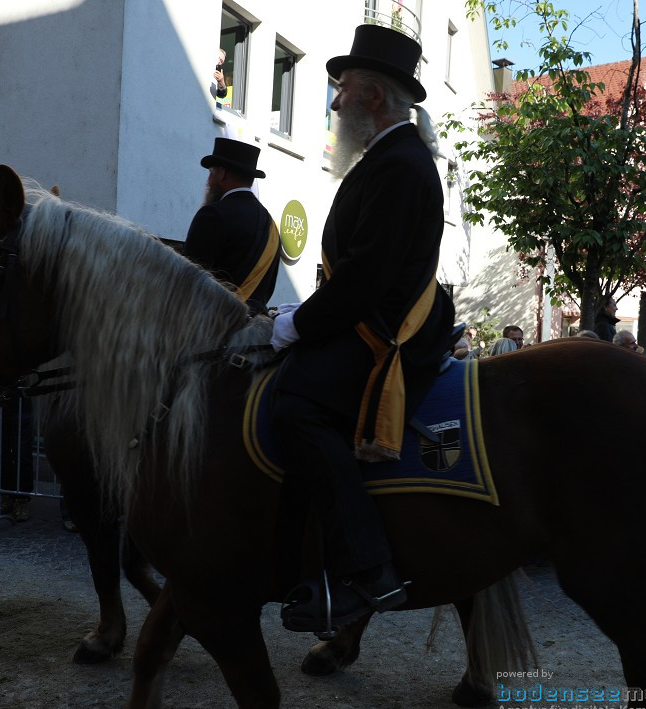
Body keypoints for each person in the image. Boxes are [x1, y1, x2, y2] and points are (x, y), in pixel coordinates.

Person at [270, 25, 455, 633]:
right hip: (370, 317)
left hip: (387, 333)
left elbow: (365, 278)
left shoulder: (399, 164)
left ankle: (367, 571)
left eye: (341, 90)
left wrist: (295, 324)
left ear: (373, 97)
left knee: (297, 405)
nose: (333, 102)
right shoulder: (390, 158)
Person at [183, 138, 280, 315]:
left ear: (222, 173)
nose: (209, 179)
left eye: (211, 172)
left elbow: (190, 281)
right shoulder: (271, 224)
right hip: (258, 333)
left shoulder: (212, 214)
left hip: (215, 331)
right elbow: (268, 289)